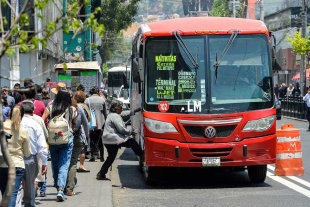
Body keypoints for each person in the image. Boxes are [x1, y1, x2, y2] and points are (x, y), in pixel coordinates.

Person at [42, 89, 77, 202]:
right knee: (64, 164)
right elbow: (74, 124)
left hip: (53, 139)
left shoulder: (51, 107)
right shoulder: (72, 109)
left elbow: (42, 120)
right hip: (67, 138)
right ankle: (61, 189)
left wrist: (47, 133)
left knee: (55, 163)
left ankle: (58, 186)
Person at [96, 99, 143, 180]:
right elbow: (121, 129)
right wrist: (130, 132)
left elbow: (124, 114)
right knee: (131, 141)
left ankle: (101, 174)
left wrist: (135, 111)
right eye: (121, 108)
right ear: (116, 109)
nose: (122, 110)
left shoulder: (111, 114)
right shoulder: (115, 116)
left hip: (107, 140)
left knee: (111, 157)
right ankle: (142, 155)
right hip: (114, 139)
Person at [0, 105, 31, 207]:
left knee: (4, 193)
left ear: (9, 113)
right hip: (17, 164)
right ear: (21, 116)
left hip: (2, 164)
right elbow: (27, 153)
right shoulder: (23, 131)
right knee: (12, 194)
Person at [21, 101, 48, 207]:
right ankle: (30, 203)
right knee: (31, 182)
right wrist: (44, 162)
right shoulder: (36, 125)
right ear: (33, 111)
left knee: (18, 185)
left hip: (16, 157)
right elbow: (42, 146)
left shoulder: (16, 123)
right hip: (31, 158)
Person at [65, 96, 89, 196]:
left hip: (64, 139)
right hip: (77, 137)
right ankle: (70, 187)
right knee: (73, 162)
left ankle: (65, 184)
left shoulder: (63, 109)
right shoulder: (79, 108)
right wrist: (87, 135)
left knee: (65, 162)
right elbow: (85, 123)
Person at [85, 86, 107, 162]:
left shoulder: (87, 100)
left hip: (91, 123)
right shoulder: (102, 100)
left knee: (92, 139)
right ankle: (102, 156)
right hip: (101, 122)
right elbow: (105, 113)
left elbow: (86, 112)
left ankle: (93, 155)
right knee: (100, 139)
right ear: (98, 91)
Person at [74, 91, 91, 173]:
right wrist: (87, 133)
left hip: (72, 130)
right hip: (81, 131)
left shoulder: (73, 105)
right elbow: (87, 120)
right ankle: (81, 165)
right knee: (82, 149)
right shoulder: (85, 107)